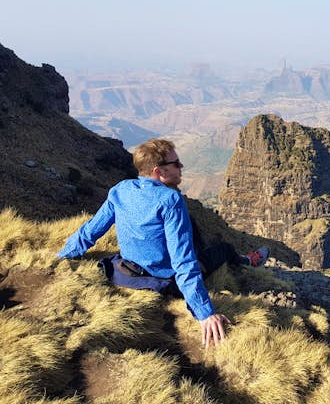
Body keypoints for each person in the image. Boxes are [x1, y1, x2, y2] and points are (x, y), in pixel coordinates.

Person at [57, 138, 269, 347]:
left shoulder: (120, 189)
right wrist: (205, 314)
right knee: (224, 249)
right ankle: (245, 261)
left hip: (127, 273)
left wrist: (64, 255)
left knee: (192, 227)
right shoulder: (170, 201)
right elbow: (183, 262)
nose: (181, 166)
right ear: (159, 171)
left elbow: (92, 230)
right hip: (163, 280)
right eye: (175, 164)